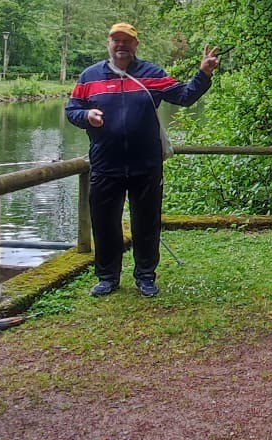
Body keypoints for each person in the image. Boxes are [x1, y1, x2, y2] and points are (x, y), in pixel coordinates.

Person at [67, 24, 218, 297]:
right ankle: (107, 277)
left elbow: (184, 96)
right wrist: (86, 117)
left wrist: (204, 73)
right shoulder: (89, 77)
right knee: (104, 223)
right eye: (116, 40)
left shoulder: (152, 74)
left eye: (127, 41)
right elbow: (72, 109)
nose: (121, 45)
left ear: (136, 45)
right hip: (105, 164)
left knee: (146, 222)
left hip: (146, 164)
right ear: (108, 43)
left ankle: (146, 277)